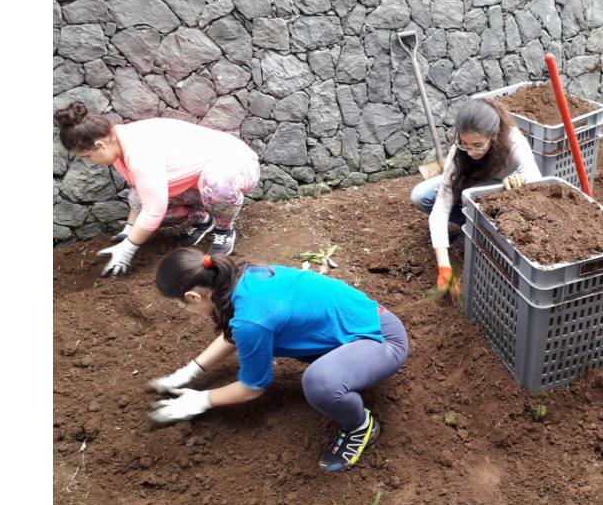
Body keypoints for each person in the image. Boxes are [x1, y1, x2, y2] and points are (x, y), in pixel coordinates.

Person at [147, 247, 409, 473]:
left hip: (381, 341)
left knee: (320, 383)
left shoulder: (251, 318)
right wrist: (190, 371)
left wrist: (201, 400)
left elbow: (251, 387)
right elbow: (236, 332)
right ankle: (347, 373)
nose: (184, 310)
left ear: (193, 296)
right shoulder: (241, 276)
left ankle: (360, 426)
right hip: (362, 323)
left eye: (181, 305)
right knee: (311, 362)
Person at [54, 102, 261, 276]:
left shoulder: (139, 151)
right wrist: (129, 230)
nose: (90, 162)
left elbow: (154, 209)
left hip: (237, 167)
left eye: (87, 156)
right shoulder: (116, 143)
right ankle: (201, 220)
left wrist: (128, 248)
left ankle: (224, 230)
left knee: (216, 183)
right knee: (136, 198)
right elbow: (142, 193)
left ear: (100, 145)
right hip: (196, 182)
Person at [410, 98, 543, 300]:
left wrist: (519, 179)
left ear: (494, 136)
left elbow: (537, 181)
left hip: (502, 195)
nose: (470, 152)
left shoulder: (513, 141)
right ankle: (470, 225)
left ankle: (481, 230)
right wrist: (444, 266)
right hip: (472, 185)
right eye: (466, 144)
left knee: (470, 197)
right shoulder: (460, 151)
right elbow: (441, 206)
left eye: (478, 145)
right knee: (421, 196)